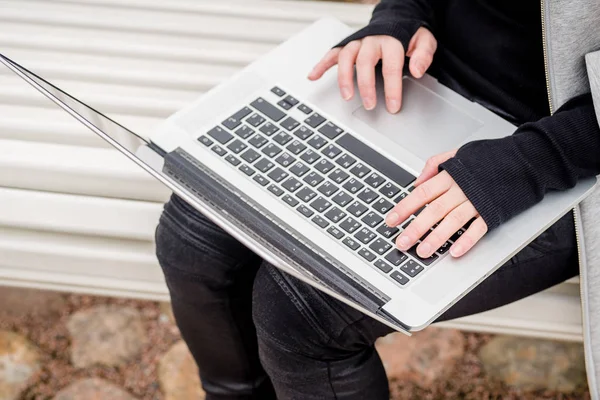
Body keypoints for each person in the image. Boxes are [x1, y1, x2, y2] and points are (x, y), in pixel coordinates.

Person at [155, 1, 600, 399]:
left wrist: (526, 164)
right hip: (425, 84)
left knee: (299, 310)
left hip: (568, 151)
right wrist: (401, 16)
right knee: (192, 238)